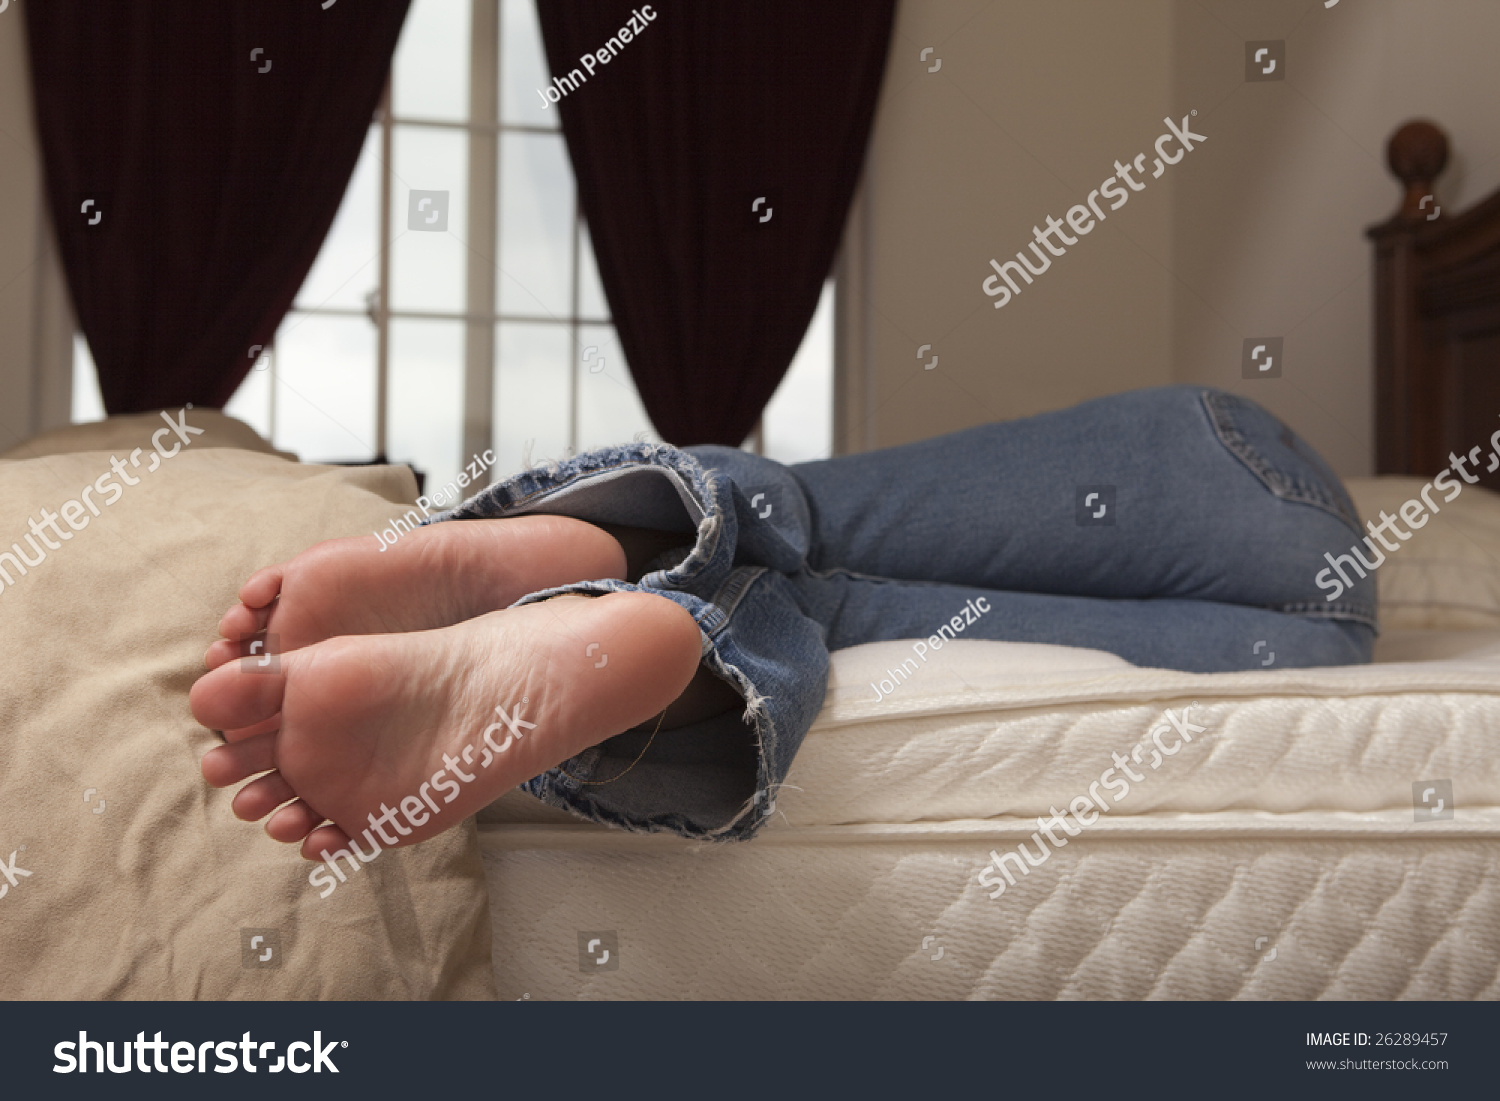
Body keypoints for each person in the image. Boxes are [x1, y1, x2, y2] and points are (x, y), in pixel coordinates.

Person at [192, 386, 1375, 863]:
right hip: (1294, 573)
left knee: (812, 539)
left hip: (1221, 468)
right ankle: (645, 613)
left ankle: (635, 560)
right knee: (827, 583)